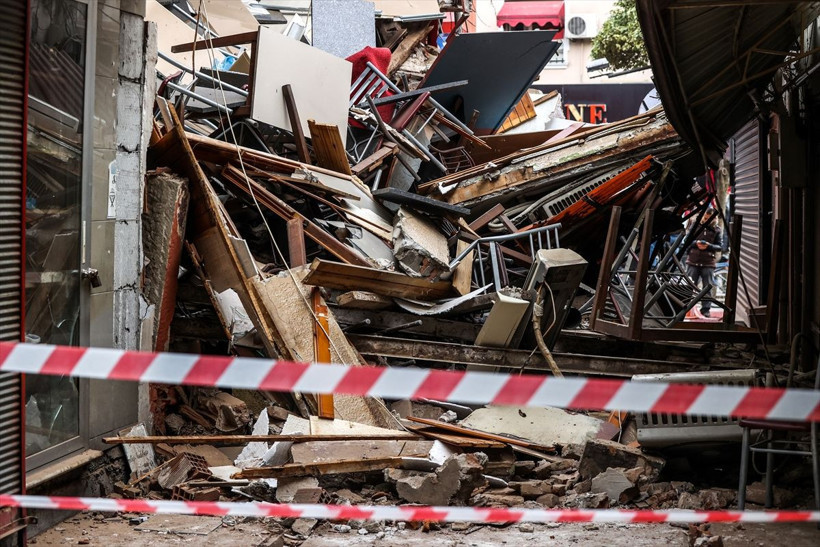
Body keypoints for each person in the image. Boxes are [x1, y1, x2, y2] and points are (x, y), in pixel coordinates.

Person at [686, 207, 722, 317]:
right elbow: (687, 241)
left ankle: (705, 309)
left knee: (707, 287)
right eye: (705, 218)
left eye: (709, 219)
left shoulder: (716, 230)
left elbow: (719, 246)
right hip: (693, 260)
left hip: (708, 262)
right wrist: (696, 244)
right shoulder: (695, 226)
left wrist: (709, 246)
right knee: (689, 286)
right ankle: (685, 307)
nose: (707, 221)